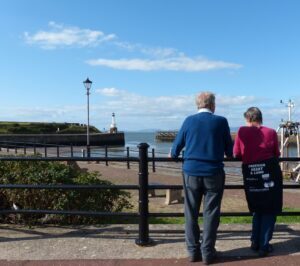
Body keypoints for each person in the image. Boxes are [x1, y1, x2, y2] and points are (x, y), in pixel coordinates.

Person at [170, 92, 233, 264]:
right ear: (213, 105)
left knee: (190, 212)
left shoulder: (189, 121)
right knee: (211, 213)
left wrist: (174, 154)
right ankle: (207, 252)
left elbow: (175, 149)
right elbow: (230, 151)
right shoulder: (221, 121)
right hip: (214, 172)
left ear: (197, 105)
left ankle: (192, 252)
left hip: (191, 172)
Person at [233, 107, 283, 257]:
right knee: (269, 208)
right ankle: (264, 245)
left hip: (251, 174)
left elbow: (236, 153)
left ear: (248, 119)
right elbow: (276, 153)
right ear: (260, 118)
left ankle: (255, 241)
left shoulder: (241, 131)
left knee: (257, 207)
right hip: (269, 173)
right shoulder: (271, 132)